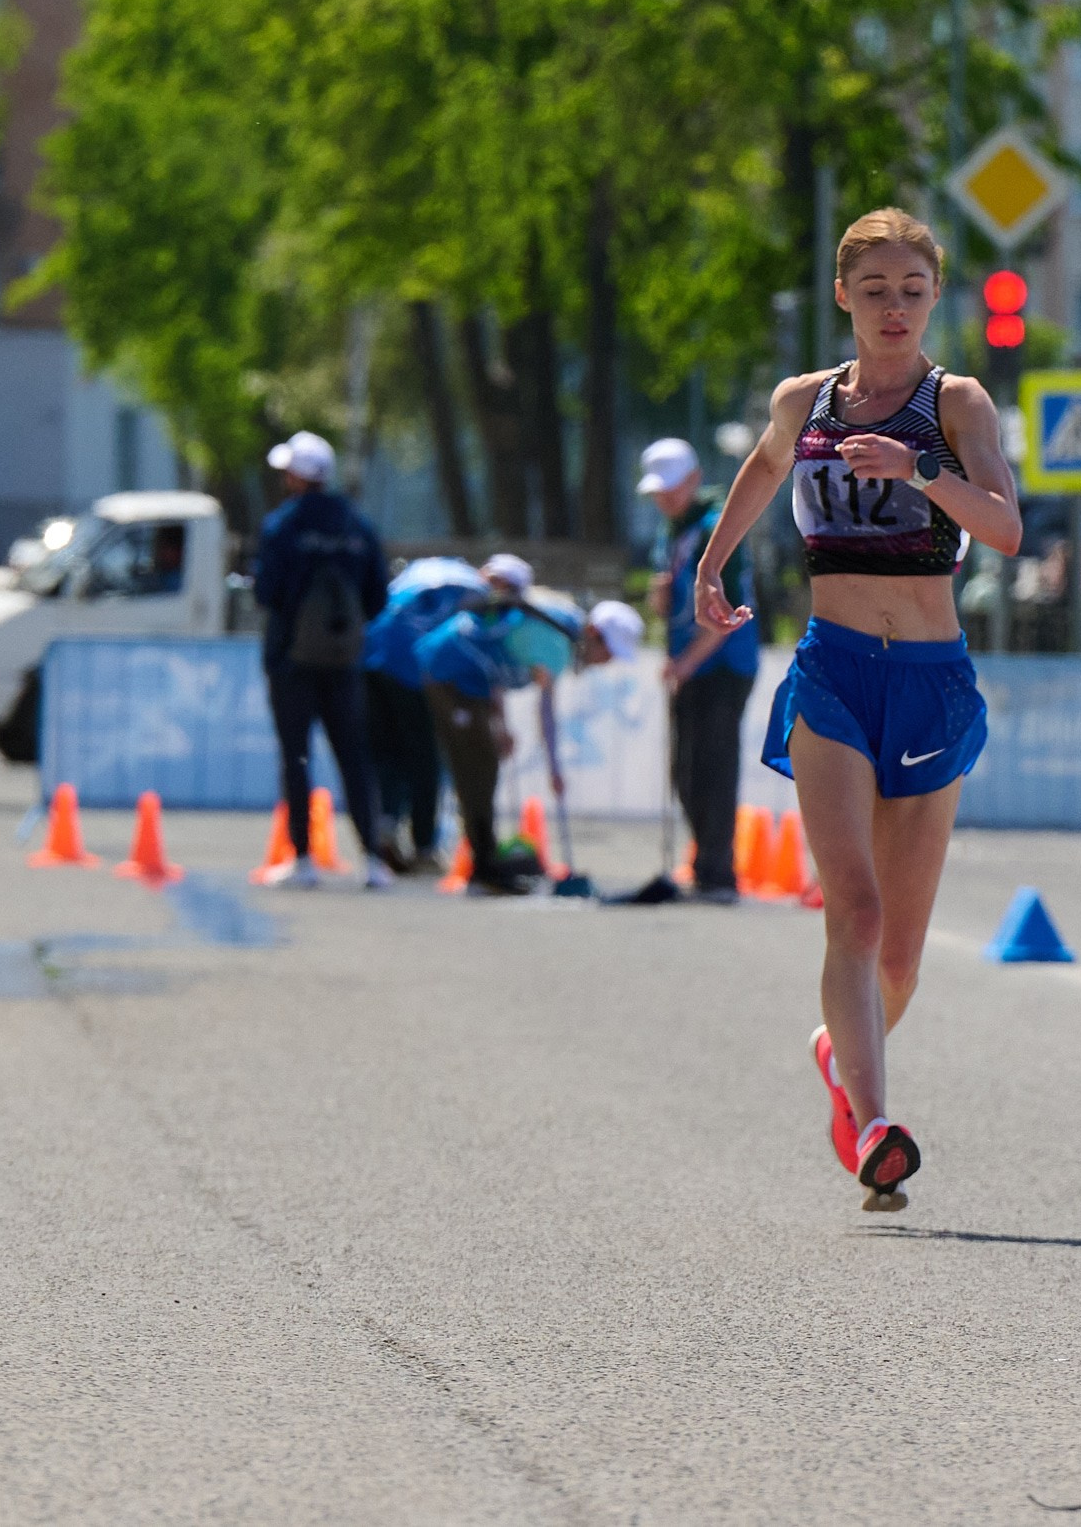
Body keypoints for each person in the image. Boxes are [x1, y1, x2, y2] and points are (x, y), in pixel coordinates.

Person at [691, 207, 1023, 1213]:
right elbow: (756, 476)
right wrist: (710, 569)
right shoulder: (807, 401)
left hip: (927, 678)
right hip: (832, 669)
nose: (893, 308)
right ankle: (875, 1123)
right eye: (873, 290)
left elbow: (1005, 529)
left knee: (902, 954)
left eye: (911, 291)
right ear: (843, 295)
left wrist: (922, 472)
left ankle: (844, 1056)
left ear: (935, 298)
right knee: (858, 909)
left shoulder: (955, 403)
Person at [417, 580, 638, 892]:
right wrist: (554, 768)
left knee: (484, 765)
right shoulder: (556, 644)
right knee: (476, 770)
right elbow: (545, 713)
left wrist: (500, 725)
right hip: (448, 672)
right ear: (594, 636)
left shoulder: (560, 624)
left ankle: (486, 861)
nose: (608, 662)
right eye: (610, 652)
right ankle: (483, 868)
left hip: (467, 680)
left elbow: (497, 666)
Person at [252, 430, 391, 889]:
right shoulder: (358, 525)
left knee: (297, 758)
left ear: (295, 476)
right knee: (355, 756)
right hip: (345, 663)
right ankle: (373, 858)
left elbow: (265, 592)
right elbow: (377, 597)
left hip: (290, 660)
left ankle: (304, 860)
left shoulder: (282, 526)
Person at [640, 437, 760, 904]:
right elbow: (663, 604)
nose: (663, 498)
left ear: (693, 480)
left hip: (723, 663)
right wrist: (659, 595)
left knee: (714, 767)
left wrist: (686, 662)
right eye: (657, 490)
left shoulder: (716, 527)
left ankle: (717, 872)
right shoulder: (671, 531)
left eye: (671, 488)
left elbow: (726, 614)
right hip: (688, 664)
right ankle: (703, 860)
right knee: (684, 769)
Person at [360, 555, 486, 872]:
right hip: (413, 667)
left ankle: (385, 827)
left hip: (370, 659)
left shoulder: (410, 584)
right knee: (424, 757)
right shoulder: (469, 591)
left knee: (387, 752)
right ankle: (425, 845)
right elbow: (459, 645)